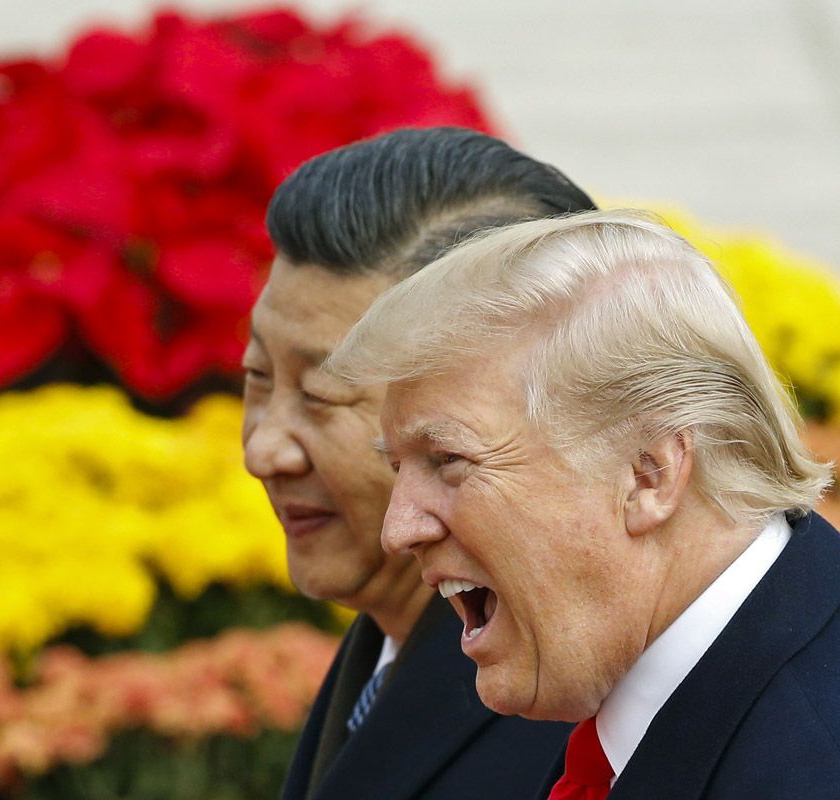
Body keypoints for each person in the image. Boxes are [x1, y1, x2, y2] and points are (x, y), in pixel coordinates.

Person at [328, 210, 840, 799]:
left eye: (448, 462)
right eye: (397, 468)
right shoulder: (698, 680)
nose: (398, 530)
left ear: (648, 475)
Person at [243, 127, 595, 800]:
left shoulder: (567, 712)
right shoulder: (391, 631)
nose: (264, 450)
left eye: (319, 395)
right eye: (257, 375)